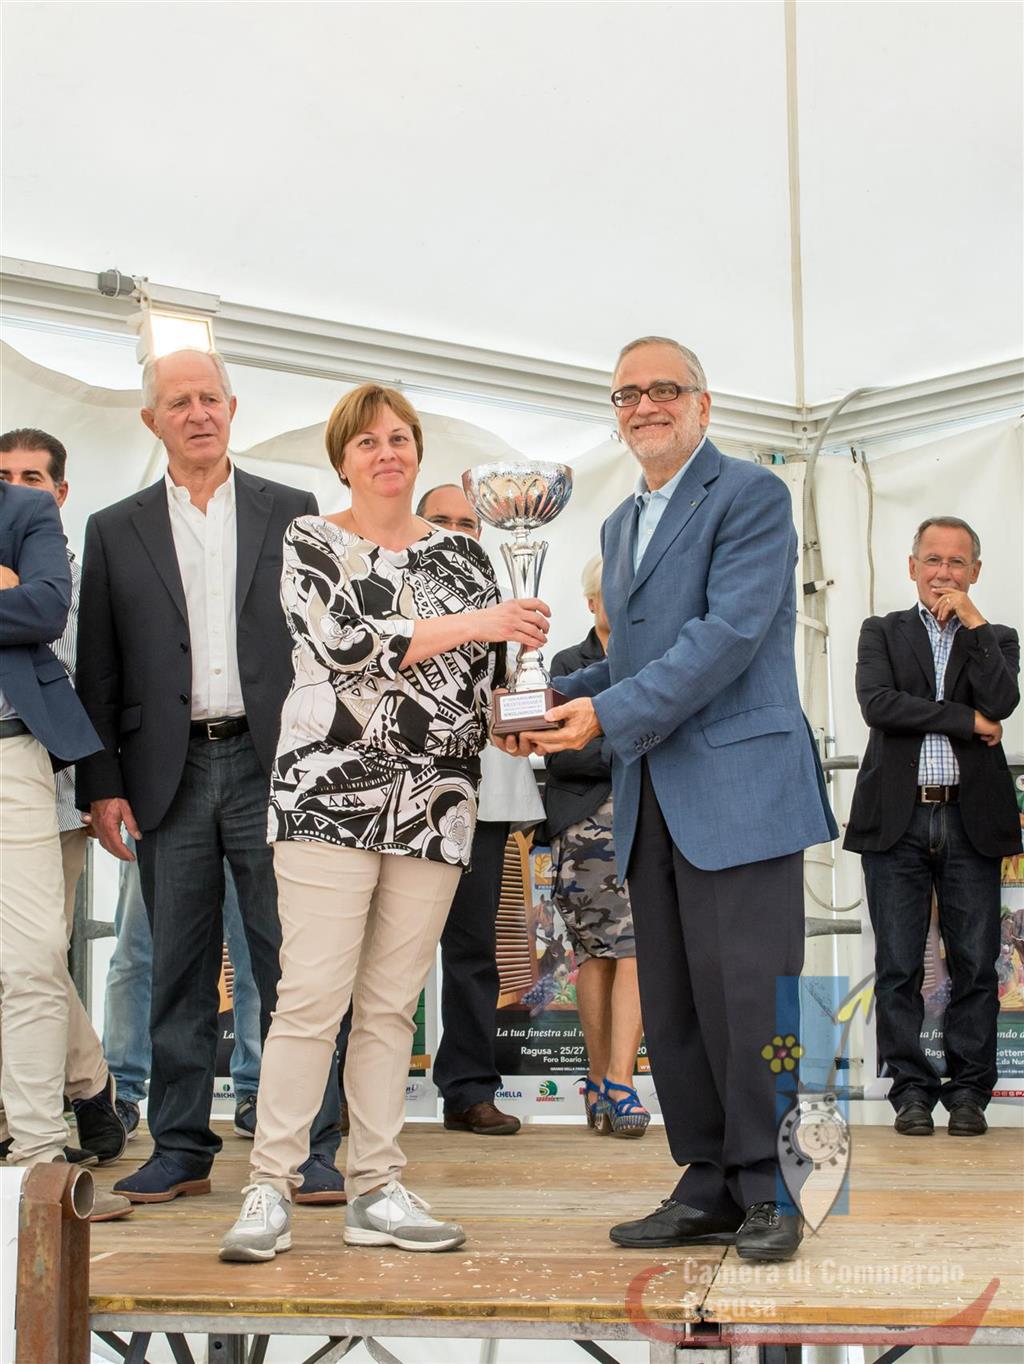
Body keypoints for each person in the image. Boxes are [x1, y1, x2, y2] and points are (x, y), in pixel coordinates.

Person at [498, 336, 837, 1263]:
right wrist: (552, 699)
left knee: (755, 1002)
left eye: (664, 389)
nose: (645, 405)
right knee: (679, 1005)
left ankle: (774, 1187)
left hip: (741, 791)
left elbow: (725, 638)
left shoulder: (752, 495)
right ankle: (709, 1181)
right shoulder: (619, 525)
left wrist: (603, 712)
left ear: (702, 404)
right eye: (627, 394)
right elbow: (640, 659)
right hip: (651, 795)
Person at [219, 384, 548, 1262]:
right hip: (328, 792)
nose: (387, 452)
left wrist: (521, 711)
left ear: (418, 452)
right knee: (310, 998)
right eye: (367, 442)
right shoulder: (309, 539)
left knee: (392, 1006)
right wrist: (480, 620)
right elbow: (346, 645)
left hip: (438, 799)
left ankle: (375, 1186)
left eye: (400, 438)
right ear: (342, 460)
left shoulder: (467, 555)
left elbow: (483, 683)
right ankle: (269, 1186)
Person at [75, 349, 342, 1203]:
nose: (197, 413)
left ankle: (313, 1145)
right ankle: (181, 1147)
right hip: (167, 771)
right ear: (151, 420)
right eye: (179, 402)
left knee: (292, 964)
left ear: (233, 407)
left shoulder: (293, 511)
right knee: (178, 969)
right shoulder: (114, 528)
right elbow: (99, 668)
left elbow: (325, 643)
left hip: (275, 765)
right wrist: (101, 785)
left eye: (210, 398)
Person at [844, 516, 1020, 1136]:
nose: (943, 573)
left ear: (975, 571)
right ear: (912, 566)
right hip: (898, 819)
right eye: (933, 560)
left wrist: (974, 624)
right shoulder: (881, 631)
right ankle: (911, 1091)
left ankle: (970, 1092)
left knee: (976, 964)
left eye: (956, 562)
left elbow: (1001, 702)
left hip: (972, 821)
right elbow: (878, 705)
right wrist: (966, 722)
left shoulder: (996, 637)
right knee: (899, 965)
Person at [0, 481, 132, 1221]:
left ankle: (38, 1164)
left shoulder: (24, 510)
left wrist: (19, 594)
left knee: (32, 958)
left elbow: (46, 610)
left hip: (12, 754)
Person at [545, 554, 647, 1137]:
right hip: (586, 829)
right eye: (612, 593)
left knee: (638, 949)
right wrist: (630, 741)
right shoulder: (568, 664)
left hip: (647, 826)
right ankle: (602, 1077)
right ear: (591, 603)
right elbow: (566, 752)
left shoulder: (655, 661)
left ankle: (618, 1081)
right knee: (598, 955)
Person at [102, 852, 264, 1143]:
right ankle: (120, 1093)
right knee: (135, 954)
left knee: (255, 957)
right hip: (154, 826)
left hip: (248, 824)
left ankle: (256, 1091)